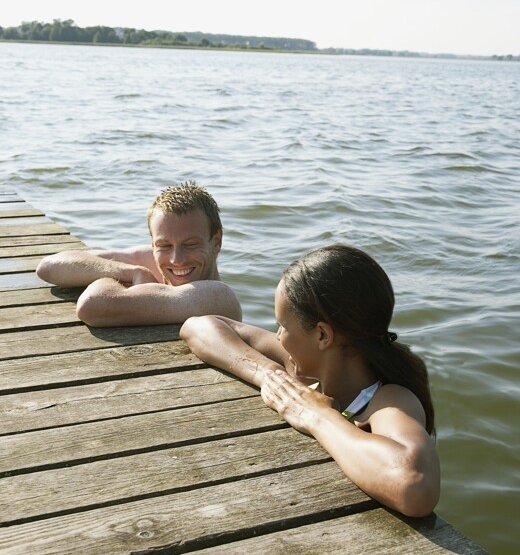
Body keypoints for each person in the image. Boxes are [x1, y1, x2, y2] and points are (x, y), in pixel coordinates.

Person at [180, 244, 440, 517]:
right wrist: (273, 377)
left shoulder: (389, 400)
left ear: (322, 336)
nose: (278, 336)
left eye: (283, 325)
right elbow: (199, 326)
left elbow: (416, 487)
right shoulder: (298, 367)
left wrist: (315, 415)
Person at [36, 181, 242, 326]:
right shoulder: (150, 263)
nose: (176, 259)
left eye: (190, 244)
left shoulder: (217, 296)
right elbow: (49, 267)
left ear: (216, 242)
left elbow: (92, 305)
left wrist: (117, 277)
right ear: (153, 244)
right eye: (164, 245)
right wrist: (131, 272)